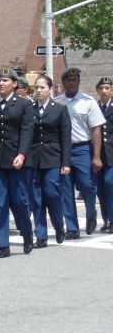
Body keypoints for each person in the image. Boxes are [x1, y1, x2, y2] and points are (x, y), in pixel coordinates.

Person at [0, 67, 34, 258]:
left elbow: (27, 131)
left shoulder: (24, 105)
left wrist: (22, 154)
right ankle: (3, 245)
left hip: (16, 160)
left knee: (20, 201)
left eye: (5, 80)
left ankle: (27, 232)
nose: (1, 84)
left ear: (15, 83)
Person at [55, 67, 106, 238]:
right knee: (65, 189)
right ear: (63, 83)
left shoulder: (88, 101)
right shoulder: (57, 102)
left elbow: (96, 130)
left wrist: (97, 156)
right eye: (68, 80)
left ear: (78, 82)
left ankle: (91, 211)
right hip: (63, 149)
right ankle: (72, 228)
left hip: (83, 148)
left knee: (87, 185)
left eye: (74, 80)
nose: (71, 83)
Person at [28, 75, 71, 248]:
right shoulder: (28, 108)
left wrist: (66, 162)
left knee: (52, 193)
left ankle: (58, 225)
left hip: (53, 156)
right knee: (36, 198)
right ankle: (41, 235)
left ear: (50, 89)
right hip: (34, 158)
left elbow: (65, 137)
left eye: (42, 87)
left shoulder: (60, 109)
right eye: (36, 87)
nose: (38, 90)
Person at [95, 76, 113, 233]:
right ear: (97, 91)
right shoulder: (95, 107)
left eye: (107, 88)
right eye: (101, 88)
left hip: (112, 155)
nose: (104, 91)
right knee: (100, 189)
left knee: (110, 184)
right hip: (98, 155)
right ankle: (106, 219)